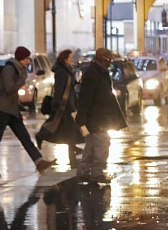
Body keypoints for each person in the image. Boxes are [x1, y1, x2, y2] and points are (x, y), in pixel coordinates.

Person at [0, 46, 56, 178]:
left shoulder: (19, 69)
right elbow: (9, 89)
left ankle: (39, 162)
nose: (29, 61)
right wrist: (22, 80)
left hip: (12, 109)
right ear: (21, 58)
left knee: (24, 137)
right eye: (27, 58)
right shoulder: (9, 69)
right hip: (4, 109)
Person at [74, 47, 127, 183]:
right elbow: (86, 98)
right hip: (98, 118)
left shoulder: (99, 72)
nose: (110, 62)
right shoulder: (94, 74)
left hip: (98, 117)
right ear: (101, 58)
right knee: (102, 145)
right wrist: (82, 117)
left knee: (92, 145)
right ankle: (96, 172)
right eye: (108, 59)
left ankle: (84, 171)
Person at [35, 49, 83, 166]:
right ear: (65, 59)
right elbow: (59, 88)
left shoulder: (67, 70)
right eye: (70, 57)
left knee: (64, 129)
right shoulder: (61, 71)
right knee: (62, 127)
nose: (72, 59)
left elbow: (69, 86)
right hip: (64, 105)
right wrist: (56, 103)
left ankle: (73, 151)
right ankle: (41, 136)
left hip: (69, 104)